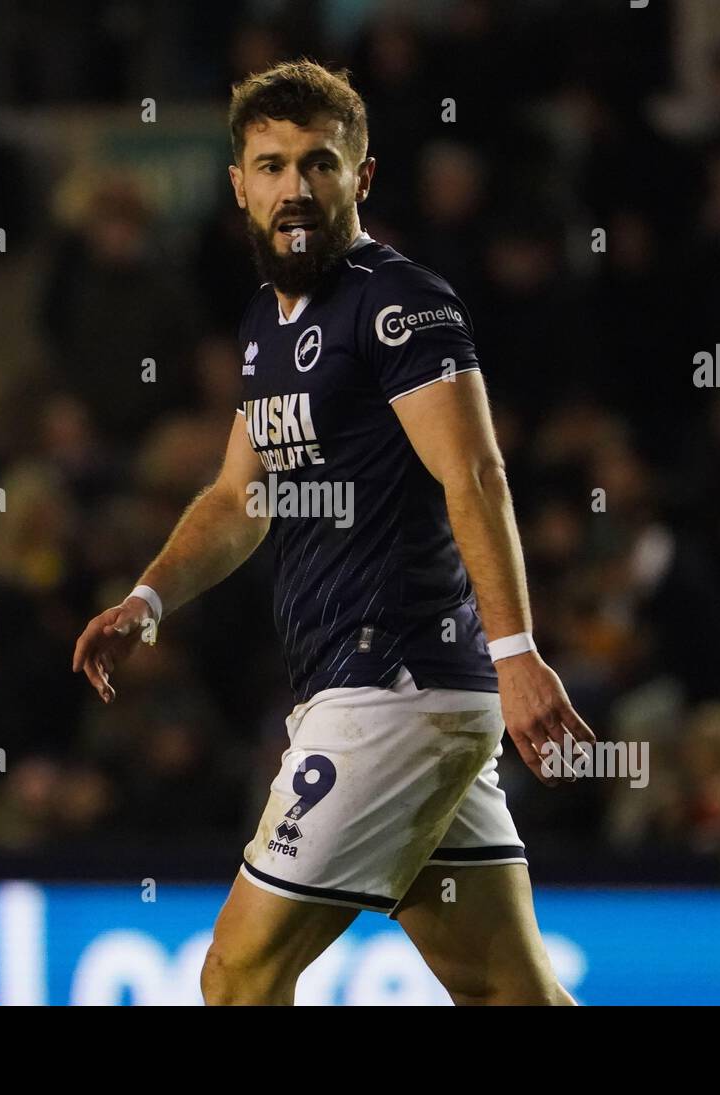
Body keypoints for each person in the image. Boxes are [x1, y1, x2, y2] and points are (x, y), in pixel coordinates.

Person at [73, 58, 589, 1006]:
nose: (295, 187)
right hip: (401, 693)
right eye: (271, 166)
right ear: (237, 185)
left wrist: (519, 651)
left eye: (319, 163)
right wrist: (147, 599)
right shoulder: (266, 324)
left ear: (363, 177)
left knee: (237, 972)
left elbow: (473, 472)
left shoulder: (399, 302)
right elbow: (240, 497)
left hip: (391, 681)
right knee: (511, 992)